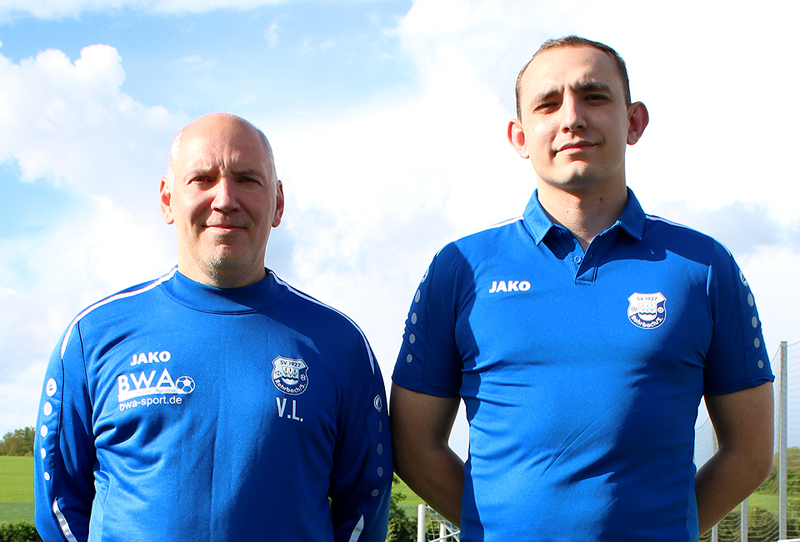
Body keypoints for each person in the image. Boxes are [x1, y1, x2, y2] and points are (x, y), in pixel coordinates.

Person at [390, 36, 774, 541]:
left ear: (633, 121)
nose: (572, 118)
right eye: (548, 104)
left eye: (594, 96)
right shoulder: (460, 268)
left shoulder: (703, 267)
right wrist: (497, 527)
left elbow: (749, 452)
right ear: (519, 135)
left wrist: (666, 530)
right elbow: (413, 446)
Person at [34, 113, 392, 542]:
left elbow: (364, 508)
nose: (225, 199)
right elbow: (58, 505)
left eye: (247, 179)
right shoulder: (92, 337)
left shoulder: (339, 345)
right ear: (167, 200)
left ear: (277, 202)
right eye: (202, 179)